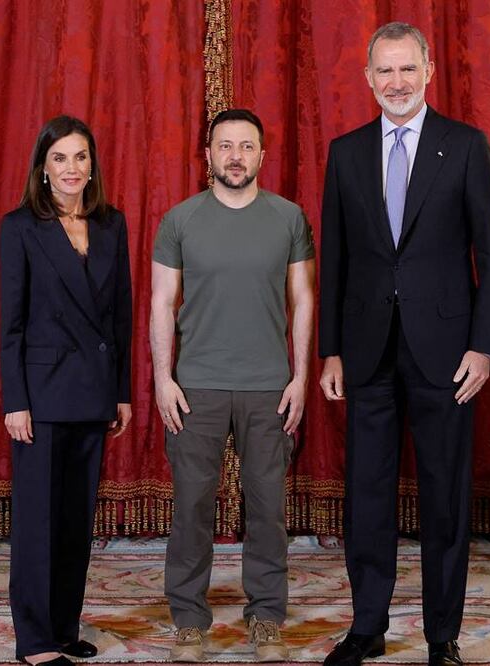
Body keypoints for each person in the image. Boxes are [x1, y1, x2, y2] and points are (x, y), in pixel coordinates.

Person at [318, 22, 490, 666]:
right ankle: (367, 627)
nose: (396, 82)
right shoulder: (345, 153)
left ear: (428, 71)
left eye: (407, 69)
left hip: (448, 353)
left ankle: (441, 636)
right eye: (385, 71)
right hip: (366, 350)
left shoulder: (466, 146)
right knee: (367, 494)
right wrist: (330, 349)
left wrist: (483, 346)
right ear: (368, 78)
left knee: (444, 497)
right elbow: (336, 259)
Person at [150, 108, 315, 663]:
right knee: (191, 507)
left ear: (262, 155)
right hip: (196, 388)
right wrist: (163, 379)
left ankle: (266, 614)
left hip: (269, 388)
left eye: (246, 146)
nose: (236, 156)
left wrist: (300, 378)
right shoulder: (180, 220)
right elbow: (161, 302)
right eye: (225, 146)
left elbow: (303, 300)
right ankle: (187, 617)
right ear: (209, 155)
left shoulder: (289, 218)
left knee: (267, 508)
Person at [0, 115, 133, 666]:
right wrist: (15, 401)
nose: (71, 168)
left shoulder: (111, 223)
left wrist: (121, 391)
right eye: (60, 158)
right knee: (39, 522)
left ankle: (62, 628)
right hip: (42, 394)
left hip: (93, 389)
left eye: (80, 157)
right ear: (43, 167)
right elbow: (11, 323)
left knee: (76, 522)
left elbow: (120, 315)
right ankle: (34, 641)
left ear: (92, 165)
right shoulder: (20, 227)